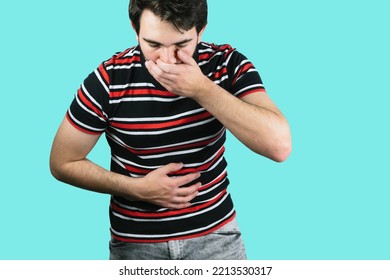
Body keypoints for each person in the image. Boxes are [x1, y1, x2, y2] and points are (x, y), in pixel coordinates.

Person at [50, 0, 292, 260]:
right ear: (135, 29)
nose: (167, 60)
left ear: (201, 31)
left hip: (217, 239)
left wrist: (201, 89)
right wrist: (137, 189)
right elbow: (62, 162)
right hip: (135, 247)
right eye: (153, 45)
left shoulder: (226, 64)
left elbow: (278, 146)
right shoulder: (108, 79)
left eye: (181, 45)